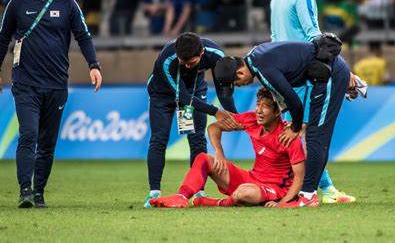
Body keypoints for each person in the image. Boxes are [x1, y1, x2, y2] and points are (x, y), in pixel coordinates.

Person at [0, 0, 103, 209]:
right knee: (28, 135)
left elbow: (84, 37)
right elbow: (2, 38)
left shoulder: (69, 5)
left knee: (48, 143)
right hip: (25, 83)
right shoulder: (17, 4)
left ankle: (39, 192)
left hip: (57, 84)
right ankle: (25, 191)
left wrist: (93, 65)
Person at [213, 41, 352, 207]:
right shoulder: (255, 55)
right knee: (315, 135)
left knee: (316, 137)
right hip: (324, 75)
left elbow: (293, 101)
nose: (239, 86)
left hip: (331, 76)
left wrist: (295, 128)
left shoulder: (263, 70)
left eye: (236, 83)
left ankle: (308, 196)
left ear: (240, 72)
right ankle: (308, 194)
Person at [270, 0, 356, 204]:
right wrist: (341, 70)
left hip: (284, 73)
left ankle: (326, 188)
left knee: (306, 133)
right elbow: (314, 37)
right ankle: (309, 193)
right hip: (307, 72)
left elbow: (274, 37)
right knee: (315, 133)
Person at [150, 87, 306, 208]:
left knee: (244, 192)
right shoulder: (251, 119)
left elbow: (299, 177)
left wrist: (281, 204)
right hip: (252, 179)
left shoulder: (288, 137)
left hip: (275, 189)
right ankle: (181, 197)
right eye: (258, 104)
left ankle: (218, 203)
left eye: (265, 107)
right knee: (204, 158)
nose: (258, 110)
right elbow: (214, 127)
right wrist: (219, 153)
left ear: (277, 112)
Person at [145, 32, 239, 207]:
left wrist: (235, 116)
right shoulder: (167, 58)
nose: (188, 67)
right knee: (159, 139)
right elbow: (182, 96)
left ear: (202, 53)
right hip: (162, 94)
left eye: (192, 63)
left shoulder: (216, 54)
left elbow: (223, 90)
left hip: (195, 91)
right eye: (184, 63)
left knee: (197, 140)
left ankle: (198, 192)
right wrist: (215, 111)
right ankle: (153, 193)